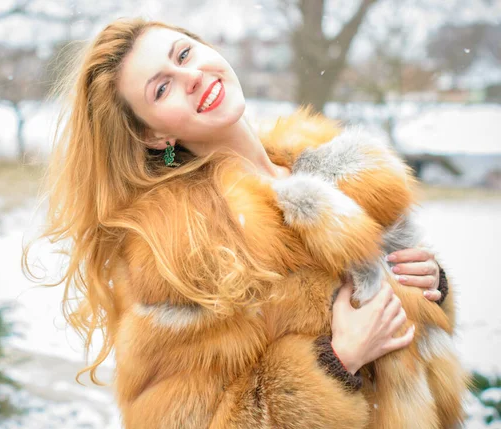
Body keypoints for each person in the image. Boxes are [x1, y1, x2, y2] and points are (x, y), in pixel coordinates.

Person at [24, 17, 463, 428]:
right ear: (154, 135)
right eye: (162, 89)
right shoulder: (183, 244)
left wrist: (428, 287)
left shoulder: (338, 168)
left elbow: (407, 337)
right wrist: (335, 361)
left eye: (183, 54)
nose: (191, 76)